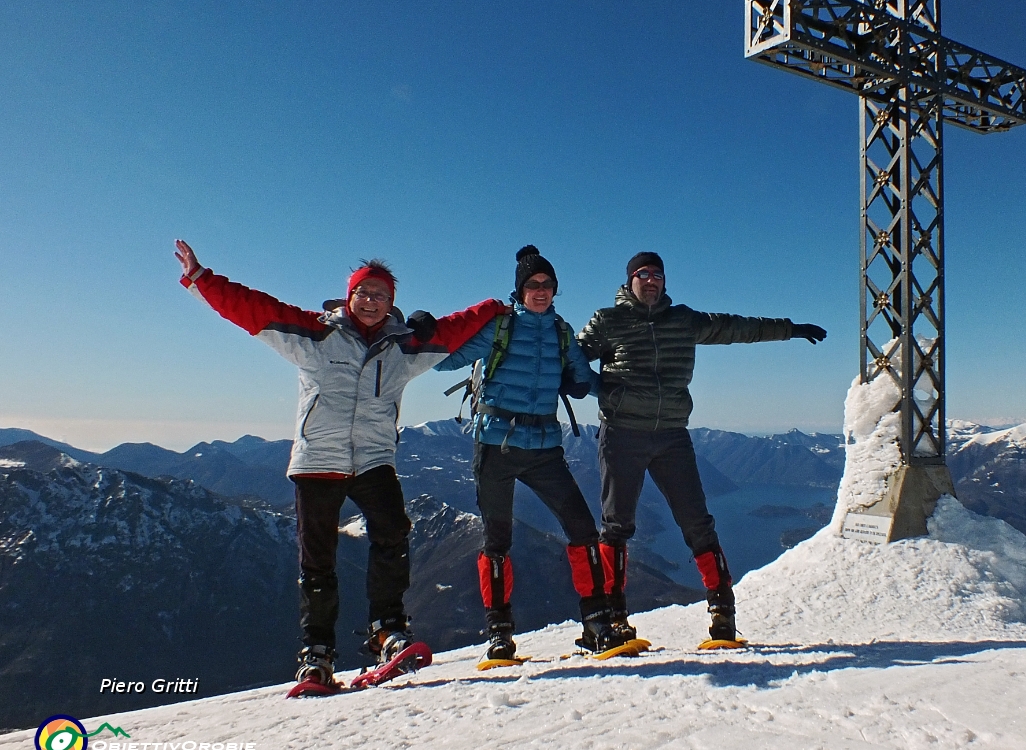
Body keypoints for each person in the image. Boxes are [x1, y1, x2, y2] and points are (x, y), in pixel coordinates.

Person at [174, 239, 507, 688]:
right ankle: (317, 654)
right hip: (317, 461)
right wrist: (201, 278)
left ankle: (387, 630)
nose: (370, 302)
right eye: (363, 293)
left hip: (373, 460)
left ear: (392, 304)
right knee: (318, 562)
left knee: (393, 535)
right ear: (349, 297)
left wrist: (493, 307)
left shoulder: (405, 348)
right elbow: (252, 308)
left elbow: (456, 327)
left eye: (380, 295)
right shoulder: (314, 334)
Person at [577, 251, 827, 646]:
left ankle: (722, 612)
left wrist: (790, 329)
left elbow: (737, 328)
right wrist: (590, 385)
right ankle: (614, 618)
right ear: (629, 281)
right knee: (616, 525)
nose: (652, 280)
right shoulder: (609, 320)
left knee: (697, 521)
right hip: (622, 434)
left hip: (672, 435)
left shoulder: (684, 320)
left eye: (658, 274)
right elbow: (571, 357)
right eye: (643, 274)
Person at [436, 246, 618, 660]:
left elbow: (585, 378)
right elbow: (445, 362)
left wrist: (625, 390)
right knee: (497, 540)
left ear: (556, 290)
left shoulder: (561, 332)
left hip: (543, 448)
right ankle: (499, 635)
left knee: (583, 530)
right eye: (533, 285)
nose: (541, 291)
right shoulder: (500, 328)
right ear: (519, 290)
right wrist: (428, 334)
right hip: (495, 446)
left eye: (547, 285)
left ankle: (597, 624)